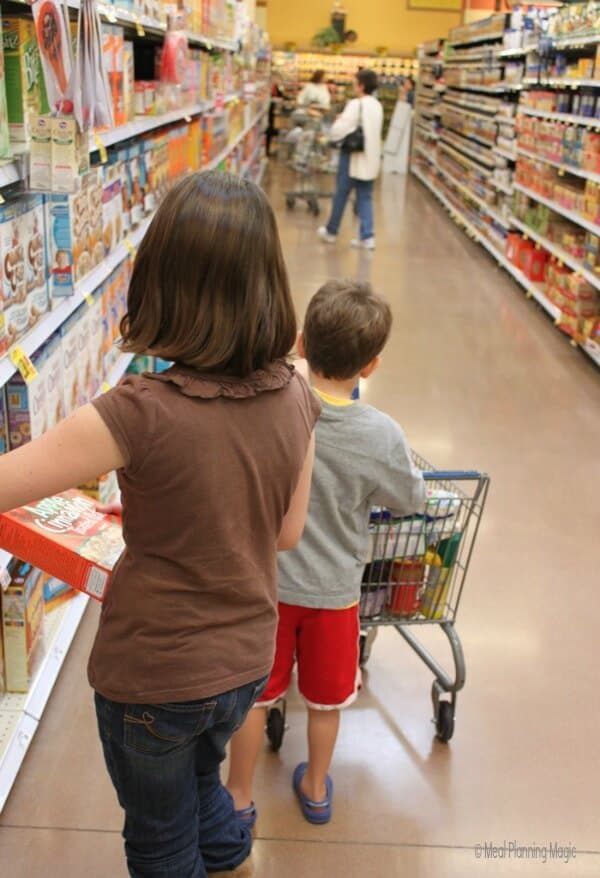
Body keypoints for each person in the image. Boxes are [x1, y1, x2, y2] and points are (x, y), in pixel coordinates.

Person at [0, 171, 321, 878]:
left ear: (161, 283)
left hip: (154, 678)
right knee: (203, 780)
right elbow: (284, 531)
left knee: (158, 837)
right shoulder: (298, 391)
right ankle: (231, 852)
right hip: (242, 661)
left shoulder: (137, 411)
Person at [226, 280, 425, 828]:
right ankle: (315, 786)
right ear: (372, 366)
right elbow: (409, 497)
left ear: (300, 343)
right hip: (334, 596)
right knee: (324, 702)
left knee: (255, 696)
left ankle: (238, 795)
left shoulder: (271, 405)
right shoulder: (380, 434)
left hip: (268, 586)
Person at [318, 69, 383, 250]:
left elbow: (340, 129)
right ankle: (367, 236)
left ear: (361, 85)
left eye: (355, 82)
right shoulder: (377, 105)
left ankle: (331, 231)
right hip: (370, 157)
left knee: (341, 193)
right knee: (365, 196)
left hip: (353, 155)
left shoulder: (356, 104)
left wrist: (336, 124)